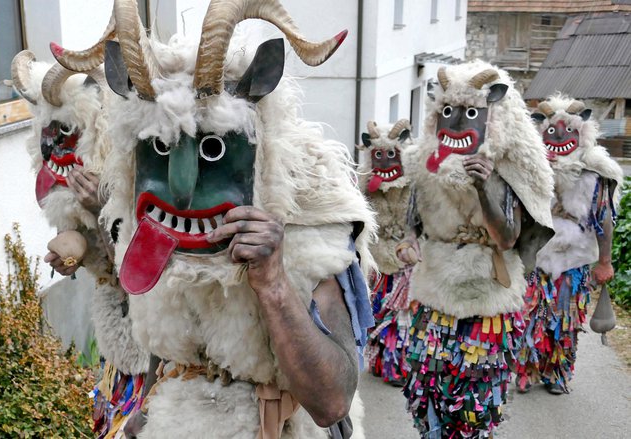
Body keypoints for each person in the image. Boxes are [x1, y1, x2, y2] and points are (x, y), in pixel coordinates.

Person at [53, 0, 375, 437]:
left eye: (211, 150)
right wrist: (139, 422)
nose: (182, 188)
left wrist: (274, 282)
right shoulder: (143, 225)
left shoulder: (310, 228)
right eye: (162, 149)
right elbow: (163, 351)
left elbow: (332, 400)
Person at [397, 61, 554, 438]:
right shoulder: (426, 167)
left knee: (477, 400)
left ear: (490, 115)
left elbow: (507, 239)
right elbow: (412, 220)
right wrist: (408, 242)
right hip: (434, 291)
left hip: (488, 298)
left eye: (469, 114)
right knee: (429, 389)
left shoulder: (504, 173)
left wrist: (483, 189)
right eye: (447, 113)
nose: (455, 124)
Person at [11, 51, 150, 437]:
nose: (53, 149)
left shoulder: (134, 170)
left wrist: (104, 209)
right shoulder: (83, 179)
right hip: (118, 346)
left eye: (65, 134)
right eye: (47, 136)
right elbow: (102, 262)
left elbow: (136, 268)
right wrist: (76, 251)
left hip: (159, 346)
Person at [515, 95, 623, 395]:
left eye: (568, 131)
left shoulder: (595, 175)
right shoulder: (532, 170)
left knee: (566, 321)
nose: (560, 136)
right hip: (535, 258)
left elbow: (604, 220)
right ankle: (526, 371)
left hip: (574, 262)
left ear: (581, 134)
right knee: (528, 318)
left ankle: (557, 373)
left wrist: (605, 261)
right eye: (552, 131)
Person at [357, 119, 417, 386]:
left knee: (401, 315)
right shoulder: (367, 184)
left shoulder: (412, 185)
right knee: (380, 311)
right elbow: (358, 213)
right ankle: (381, 361)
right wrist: (364, 187)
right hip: (379, 259)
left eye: (390, 154)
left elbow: (419, 218)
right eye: (378, 155)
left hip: (406, 256)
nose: (384, 161)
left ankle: (397, 365)